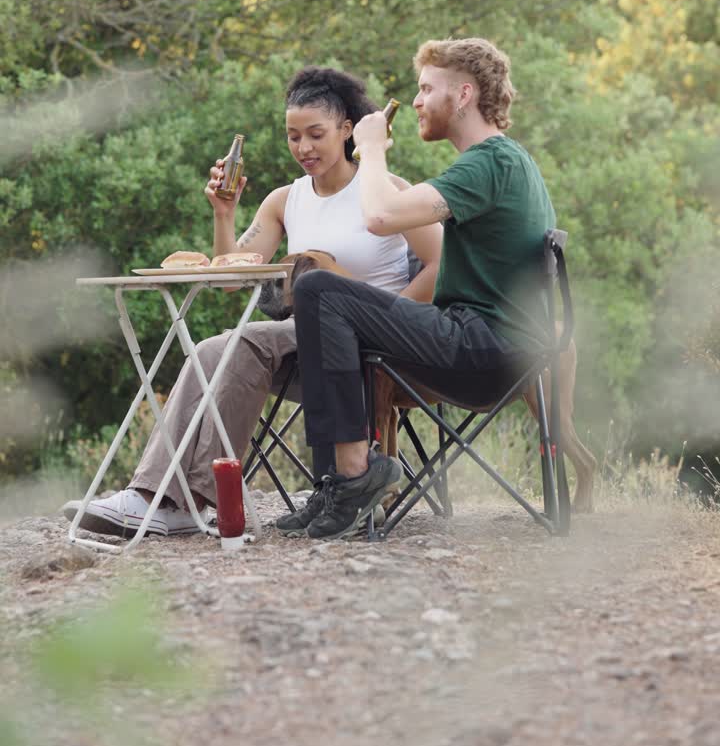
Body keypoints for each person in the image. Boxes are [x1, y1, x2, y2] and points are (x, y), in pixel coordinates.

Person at [63, 67, 441, 538]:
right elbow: (230, 277)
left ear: (347, 129)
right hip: (310, 346)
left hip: (376, 348)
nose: (303, 147)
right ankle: (163, 498)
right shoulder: (285, 200)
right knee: (210, 350)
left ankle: (181, 501)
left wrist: (390, 318)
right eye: (293, 136)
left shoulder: (386, 190)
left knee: (245, 343)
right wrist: (224, 214)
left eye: (316, 134)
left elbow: (439, 264)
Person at [291, 37, 557, 540]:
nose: (415, 101)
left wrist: (370, 149)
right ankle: (339, 480)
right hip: (501, 348)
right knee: (333, 308)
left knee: (319, 291)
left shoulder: (490, 162)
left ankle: (353, 475)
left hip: (482, 348)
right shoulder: (504, 160)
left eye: (426, 88)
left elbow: (379, 216)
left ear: (463, 94)